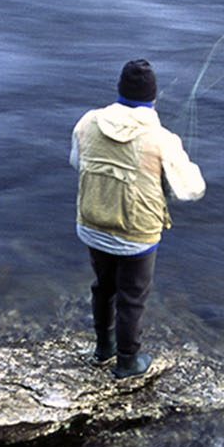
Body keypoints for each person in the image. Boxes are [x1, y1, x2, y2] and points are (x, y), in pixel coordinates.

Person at [71, 58, 205, 378]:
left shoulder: (87, 122)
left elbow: (78, 162)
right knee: (132, 298)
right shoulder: (162, 139)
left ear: (119, 91)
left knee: (103, 288)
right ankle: (127, 363)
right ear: (153, 98)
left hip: (92, 224)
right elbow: (191, 190)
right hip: (136, 236)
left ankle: (103, 348)